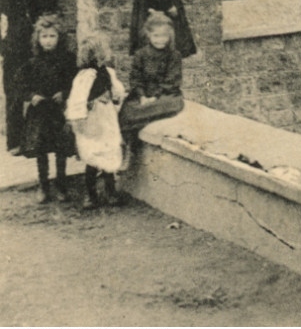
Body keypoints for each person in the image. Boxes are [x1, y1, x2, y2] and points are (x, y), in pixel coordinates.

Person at [0, 0, 59, 153]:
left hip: (39, 47)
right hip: (14, 49)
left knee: (43, 90)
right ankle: (14, 142)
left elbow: (51, 3)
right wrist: (3, 47)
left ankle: (42, 140)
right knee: (14, 92)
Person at [65, 33, 126, 209]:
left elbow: (117, 90)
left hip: (106, 118)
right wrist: (89, 107)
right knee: (93, 156)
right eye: (94, 56)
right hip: (92, 120)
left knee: (109, 152)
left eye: (100, 55)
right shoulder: (85, 76)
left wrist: (114, 97)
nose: (98, 59)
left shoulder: (107, 72)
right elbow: (78, 99)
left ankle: (111, 192)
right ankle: (91, 196)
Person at [20, 14, 76, 203]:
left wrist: (65, 93)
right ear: (38, 38)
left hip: (58, 110)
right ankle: (43, 185)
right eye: (44, 36)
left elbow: (75, 82)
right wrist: (31, 96)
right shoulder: (32, 62)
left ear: (59, 38)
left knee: (61, 149)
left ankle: (61, 185)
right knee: (41, 149)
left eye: (52, 36)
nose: (48, 40)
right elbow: (20, 84)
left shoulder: (68, 60)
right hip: (40, 112)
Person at [120, 12, 184, 144]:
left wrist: (155, 97)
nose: (160, 40)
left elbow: (171, 81)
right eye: (156, 36)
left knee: (171, 105)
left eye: (164, 36)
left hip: (165, 95)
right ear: (148, 35)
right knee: (127, 112)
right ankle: (129, 144)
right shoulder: (140, 55)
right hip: (143, 96)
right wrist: (142, 96)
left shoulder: (174, 55)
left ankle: (142, 118)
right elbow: (136, 78)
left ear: (170, 36)